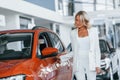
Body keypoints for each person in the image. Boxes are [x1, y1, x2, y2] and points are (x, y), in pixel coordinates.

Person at [70, 11, 101, 80]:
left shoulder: (93, 31)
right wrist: (62, 58)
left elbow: (96, 49)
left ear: (83, 20)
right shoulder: (72, 33)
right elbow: (74, 51)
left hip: (90, 61)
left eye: (78, 20)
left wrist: (98, 65)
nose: (76, 22)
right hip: (78, 61)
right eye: (75, 20)